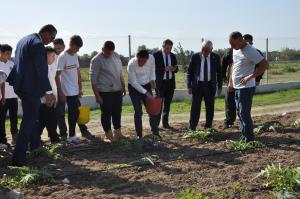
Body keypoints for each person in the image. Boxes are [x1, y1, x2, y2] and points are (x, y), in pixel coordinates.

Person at [7, 24, 57, 166]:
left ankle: (35, 148)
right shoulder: (37, 44)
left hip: (21, 84)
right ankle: (18, 159)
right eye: (52, 37)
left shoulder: (24, 39)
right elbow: (40, 69)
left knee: (33, 116)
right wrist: (48, 92)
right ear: (45, 32)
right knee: (29, 121)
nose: (51, 41)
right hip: (30, 87)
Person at [228, 31, 269, 142]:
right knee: (239, 112)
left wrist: (250, 77)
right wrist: (231, 81)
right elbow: (234, 64)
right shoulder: (236, 50)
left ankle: (249, 138)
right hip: (237, 87)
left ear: (241, 40)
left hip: (246, 88)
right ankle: (244, 135)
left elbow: (265, 65)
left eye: (234, 44)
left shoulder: (250, 50)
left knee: (244, 113)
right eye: (231, 44)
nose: (232, 47)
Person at [53, 38, 93, 141]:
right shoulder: (62, 57)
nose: (78, 50)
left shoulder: (75, 56)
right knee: (68, 114)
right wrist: (61, 92)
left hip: (74, 90)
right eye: (77, 48)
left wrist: (80, 88)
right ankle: (69, 136)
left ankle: (78, 133)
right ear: (72, 45)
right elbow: (57, 76)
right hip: (65, 92)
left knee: (75, 113)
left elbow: (78, 72)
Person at [222, 34, 264, 128]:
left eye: (250, 42)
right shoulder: (233, 51)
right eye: (231, 44)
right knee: (233, 106)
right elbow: (226, 65)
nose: (232, 46)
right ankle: (229, 121)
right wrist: (228, 81)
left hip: (246, 86)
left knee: (243, 111)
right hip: (233, 84)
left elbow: (262, 66)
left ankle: (247, 136)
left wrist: (254, 78)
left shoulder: (253, 51)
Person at [90, 41, 126, 141]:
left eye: (111, 52)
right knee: (106, 113)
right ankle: (108, 134)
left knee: (117, 111)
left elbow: (120, 72)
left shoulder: (116, 56)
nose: (109, 55)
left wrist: (123, 86)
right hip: (105, 91)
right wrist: (97, 95)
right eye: (107, 53)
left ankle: (118, 132)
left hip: (117, 90)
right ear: (103, 50)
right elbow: (93, 80)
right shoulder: (96, 60)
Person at [187, 40, 222, 130]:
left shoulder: (216, 57)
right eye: (203, 49)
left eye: (207, 50)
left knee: (210, 108)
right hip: (197, 86)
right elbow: (189, 72)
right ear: (201, 48)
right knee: (195, 108)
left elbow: (219, 73)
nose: (205, 52)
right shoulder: (195, 57)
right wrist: (189, 85)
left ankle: (208, 127)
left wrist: (220, 86)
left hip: (210, 86)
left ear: (211, 49)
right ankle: (192, 127)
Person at [127, 50, 160, 139]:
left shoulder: (151, 58)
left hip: (147, 84)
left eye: (144, 61)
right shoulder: (131, 64)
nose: (141, 63)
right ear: (136, 57)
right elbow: (134, 83)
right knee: (138, 112)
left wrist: (153, 79)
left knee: (152, 110)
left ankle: (155, 133)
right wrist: (146, 93)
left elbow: (153, 68)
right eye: (139, 61)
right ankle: (139, 135)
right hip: (134, 88)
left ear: (147, 58)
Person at [153, 39, 178, 129]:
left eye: (171, 48)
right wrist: (164, 69)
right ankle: (155, 125)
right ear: (163, 46)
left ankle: (165, 124)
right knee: (158, 105)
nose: (169, 50)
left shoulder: (173, 55)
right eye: (167, 48)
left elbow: (177, 68)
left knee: (167, 105)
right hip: (160, 84)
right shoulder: (156, 55)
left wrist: (174, 68)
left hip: (170, 83)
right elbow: (153, 69)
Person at [38, 47, 60, 144]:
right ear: (45, 56)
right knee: (44, 122)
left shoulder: (50, 67)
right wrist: (49, 98)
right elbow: (41, 85)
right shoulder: (41, 69)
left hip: (51, 100)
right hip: (44, 101)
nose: (54, 58)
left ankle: (53, 139)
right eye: (52, 56)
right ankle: (36, 140)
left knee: (51, 121)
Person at [0, 44, 19, 146]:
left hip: (13, 96)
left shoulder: (12, 64)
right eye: (7, 53)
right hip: (2, 98)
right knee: (1, 120)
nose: (9, 55)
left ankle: (15, 139)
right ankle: (2, 141)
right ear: (1, 53)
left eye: (10, 54)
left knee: (14, 119)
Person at [0, 69, 7, 149]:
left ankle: (2, 141)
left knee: (1, 122)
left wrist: (3, 96)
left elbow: (2, 85)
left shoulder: (1, 73)